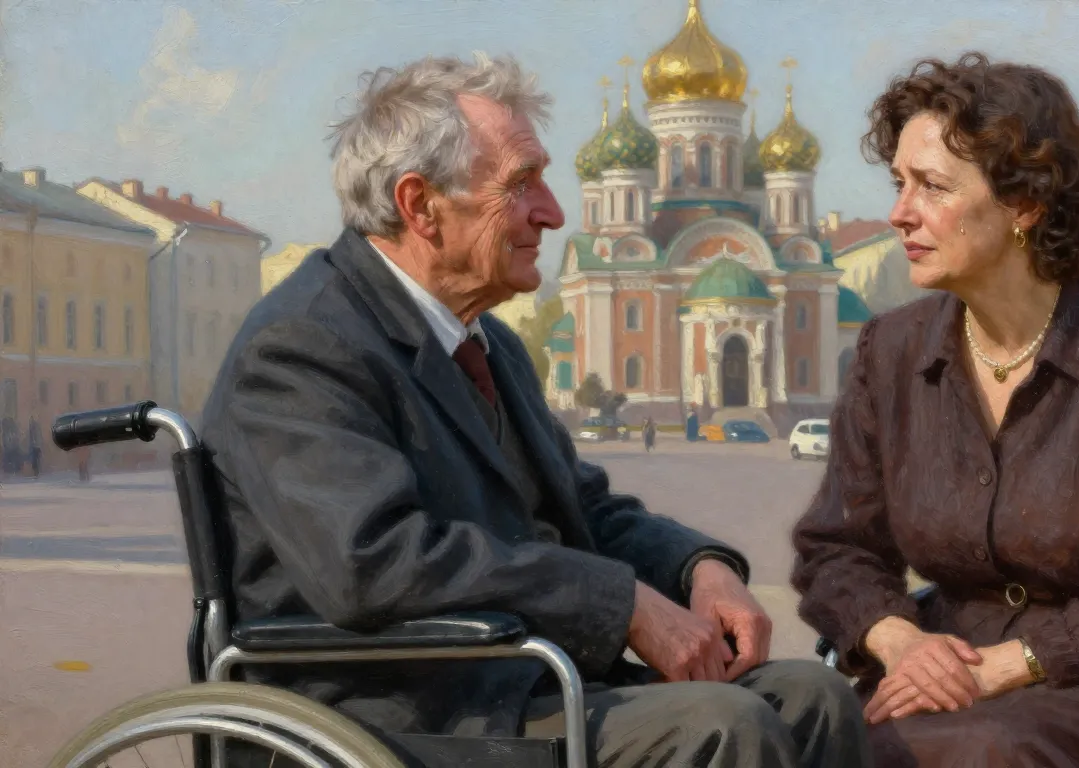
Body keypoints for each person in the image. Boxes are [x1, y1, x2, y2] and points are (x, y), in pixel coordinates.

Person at [202, 53, 869, 768]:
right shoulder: (304, 345)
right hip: (401, 711)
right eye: (521, 185)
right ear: (420, 205)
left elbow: (582, 507)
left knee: (813, 696)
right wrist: (624, 605)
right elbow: (373, 562)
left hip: (516, 679)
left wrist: (697, 569)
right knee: (722, 723)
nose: (552, 212)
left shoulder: (485, 342)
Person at [790, 52, 1079, 768]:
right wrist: (899, 642)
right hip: (943, 671)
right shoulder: (892, 352)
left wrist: (1008, 665)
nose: (900, 213)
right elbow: (837, 547)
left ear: (1025, 204)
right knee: (809, 737)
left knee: (975, 751)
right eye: (900, 183)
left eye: (932, 186)